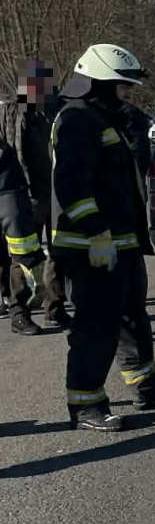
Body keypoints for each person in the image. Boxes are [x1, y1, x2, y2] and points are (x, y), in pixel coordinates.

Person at [51, 43, 155, 432]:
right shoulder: (78, 119)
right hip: (90, 245)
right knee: (95, 326)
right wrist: (96, 234)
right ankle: (86, 404)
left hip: (120, 242)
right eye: (121, 85)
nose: (128, 92)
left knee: (131, 318)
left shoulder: (104, 117)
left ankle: (147, 385)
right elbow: (72, 184)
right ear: (98, 83)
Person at [0, 60, 70, 333]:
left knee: (56, 253)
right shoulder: (13, 113)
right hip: (22, 196)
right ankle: (20, 312)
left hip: (51, 194)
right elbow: (16, 154)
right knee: (22, 258)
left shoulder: (51, 113)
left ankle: (55, 307)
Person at [0, 137, 46, 321]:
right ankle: (17, 308)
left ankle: (20, 310)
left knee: (23, 254)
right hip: (10, 193)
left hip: (10, 193)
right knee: (21, 253)